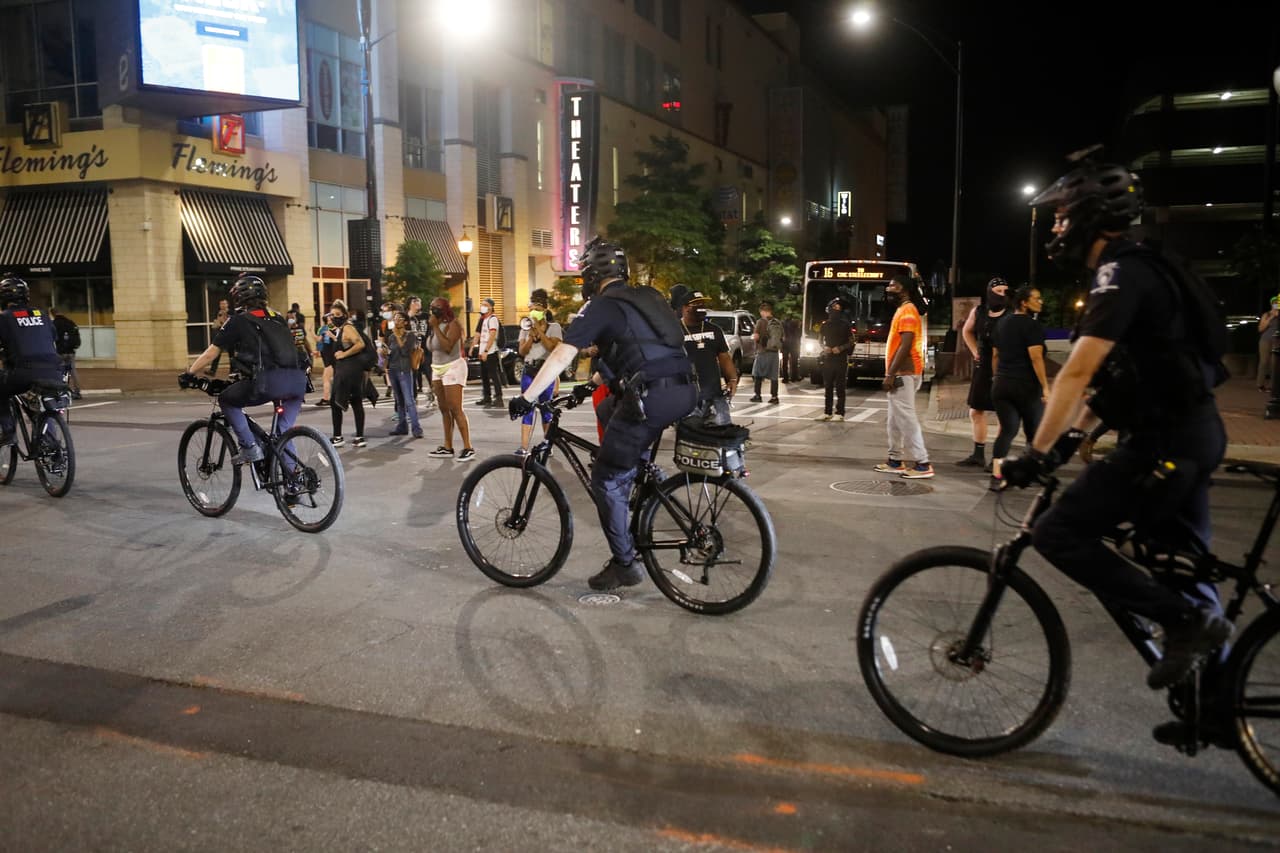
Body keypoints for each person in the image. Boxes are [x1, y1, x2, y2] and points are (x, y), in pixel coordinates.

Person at [1004, 158, 1232, 702]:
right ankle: (1219, 703)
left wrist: (1034, 453)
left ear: (1090, 217)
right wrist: (1062, 446)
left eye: (1061, 216)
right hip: (1193, 435)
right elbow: (1110, 386)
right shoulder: (1145, 266)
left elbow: (1078, 372)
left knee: (1057, 533)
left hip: (1164, 446)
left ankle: (1181, 623)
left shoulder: (1119, 272)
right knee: (1182, 568)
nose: (1057, 228)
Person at [511, 236, 695, 591]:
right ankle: (638, 470)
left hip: (652, 396)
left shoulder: (602, 305)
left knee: (605, 479)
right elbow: (631, 350)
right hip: (684, 388)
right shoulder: (647, 296)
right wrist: (589, 385)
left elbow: (564, 353)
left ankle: (624, 564)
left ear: (593, 274)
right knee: (612, 408)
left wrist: (529, 397)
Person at [184, 274, 306, 464]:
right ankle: (294, 484)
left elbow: (211, 353)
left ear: (239, 298)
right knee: (283, 433)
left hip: (268, 382)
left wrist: (189, 373)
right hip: (298, 381)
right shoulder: (279, 318)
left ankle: (249, 447)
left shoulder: (238, 320)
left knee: (227, 400)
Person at [873, 274, 933, 479]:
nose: (889, 289)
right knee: (894, 420)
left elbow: (906, 344)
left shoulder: (907, 310)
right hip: (902, 372)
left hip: (904, 372)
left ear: (905, 289)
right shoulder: (902, 309)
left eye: (893, 285)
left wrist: (890, 373)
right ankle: (895, 460)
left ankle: (922, 462)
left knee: (906, 418)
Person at [989, 286, 1049, 489]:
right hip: (1026, 386)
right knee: (1034, 433)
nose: (1040, 302)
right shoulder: (1032, 326)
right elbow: (1036, 357)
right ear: (1024, 302)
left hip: (1002, 384)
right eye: (1037, 299)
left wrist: (996, 377)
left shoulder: (1002, 323)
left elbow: (995, 355)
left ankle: (997, 477)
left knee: (1007, 431)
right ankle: (1032, 472)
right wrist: (1046, 387)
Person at [0, 276, 64, 446]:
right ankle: (52, 448)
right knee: (42, 406)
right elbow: (53, 337)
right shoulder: (41, 314)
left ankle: (8, 432)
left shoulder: (4, 318)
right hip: (54, 370)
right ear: (26, 296)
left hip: (23, 372)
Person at [954, 277, 1009, 469]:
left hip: (1005, 367)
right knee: (976, 410)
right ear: (990, 292)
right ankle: (978, 454)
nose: (1002, 295)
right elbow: (967, 331)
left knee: (1004, 413)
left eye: (1005, 291)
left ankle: (999, 458)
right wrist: (975, 351)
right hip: (984, 365)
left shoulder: (1011, 314)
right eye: (999, 291)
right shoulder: (979, 312)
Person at [677, 290, 739, 423]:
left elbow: (724, 357)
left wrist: (732, 379)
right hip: (687, 397)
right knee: (691, 436)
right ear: (685, 307)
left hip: (714, 393)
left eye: (702, 303)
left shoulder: (714, 330)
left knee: (723, 432)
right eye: (696, 304)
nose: (701, 306)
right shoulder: (675, 331)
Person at [426, 297, 475, 461]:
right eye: (432, 307)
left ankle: (468, 447)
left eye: (438, 307)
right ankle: (448, 446)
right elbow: (431, 348)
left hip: (453, 366)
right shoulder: (435, 325)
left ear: (446, 308)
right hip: (437, 368)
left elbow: (447, 347)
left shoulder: (453, 324)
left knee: (455, 408)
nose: (434, 310)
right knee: (444, 409)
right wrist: (433, 327)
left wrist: (435, 327)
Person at [515, 290, 562, 456]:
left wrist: (540, 330)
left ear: (544, 309)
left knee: (545, 409)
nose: (533, 309)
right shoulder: (526, 327)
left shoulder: (554, 327)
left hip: (545, 372)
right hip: (529, 370)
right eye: (532, 305)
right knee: (526, 407)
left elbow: (551, 347)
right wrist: (529, 335)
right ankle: (524, 447)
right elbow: (522, 351)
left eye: (537, 306)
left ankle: (547, 444)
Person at [327, 300, 369, 447]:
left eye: (337, 314)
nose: (334, 317)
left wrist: (344, 355)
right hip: (353, 370)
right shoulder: (343, 329)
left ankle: (338, 437)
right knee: (356, 402)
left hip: (348, 371)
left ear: (344, 314)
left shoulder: (347, 328)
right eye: (332, 315)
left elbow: (360, 344)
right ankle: (359, 437)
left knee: (335, 402)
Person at [384, 309, 423, 438]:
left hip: (404, 370)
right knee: (399, 400)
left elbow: (405, 352)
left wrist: (397, 337)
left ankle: (417, 428)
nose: (396, 321)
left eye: (399, 318)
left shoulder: (410, 335)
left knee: (409, 400)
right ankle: (402, 426)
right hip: (393, 370)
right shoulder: (391, 337)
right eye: (395, 318)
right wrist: (384, 353)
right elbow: (392, 353)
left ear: (405, 322)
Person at [814, 298, 851, 422]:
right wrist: (824, 347)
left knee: (840, 387)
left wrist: (840, 348)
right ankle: (827, 412)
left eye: (838, 308)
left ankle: (840, 412)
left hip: (841, 359)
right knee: (828, 386)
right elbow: (819, 339)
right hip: (828, 359)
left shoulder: (846, 325)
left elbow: (852, 341)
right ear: (829, 309)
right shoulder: (825, 325)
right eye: (834, 307)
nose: (836, 309)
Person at [749, 301, 783, 404]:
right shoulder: (777, 322)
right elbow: (782, 336)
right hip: (774, 352)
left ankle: (758, 395)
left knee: (757, 373)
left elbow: (756, 336)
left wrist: (755, 339)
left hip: (763, 351)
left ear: (763, 311)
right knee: (774, 376)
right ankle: (774, 397)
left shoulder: (760, 322)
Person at [474, 297, 505, 408]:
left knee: (493, 375)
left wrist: (486, 351)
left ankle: (499, 398)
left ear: (491, 307)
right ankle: (487, 397)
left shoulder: (493, 319)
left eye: (485, 305)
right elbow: (479, 334)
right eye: (482, 304)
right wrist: (475, 347)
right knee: (484, 376)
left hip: (491, 352)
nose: (483, 306)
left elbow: (492, 336)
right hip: (484, 352)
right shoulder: (483, 319)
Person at [50, 308, 82, 399]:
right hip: (71, 351)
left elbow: (51, 338)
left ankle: (62, 391)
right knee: (73, 371)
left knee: (59, 371)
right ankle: (77, 391)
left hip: (60, 351)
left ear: (52, 314)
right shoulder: (70, 322)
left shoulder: (54, 324)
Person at [315, 310, 338, 407]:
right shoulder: (325, 329)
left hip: (333, 356)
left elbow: (339, 341)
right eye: (328, 320)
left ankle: (326, 398)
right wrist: (311, 332)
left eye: (331, 320)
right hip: (326, 355)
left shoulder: (337, 330)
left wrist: (332, 336)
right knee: (333, 378)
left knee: (326, 377)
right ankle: (331, 398)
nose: (330, 322)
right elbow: (319, 340)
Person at [1259, 296, 1279, 391]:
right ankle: (1260, 385)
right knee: (1264, 362)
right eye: (1274, 303)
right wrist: (1271, 317)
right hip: (1265, 340)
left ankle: (1273, 386)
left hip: (1277, 342)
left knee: (1274, 364)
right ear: (1271, 304)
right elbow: (1260, 329)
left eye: (1278, 303)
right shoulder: (1266, 314)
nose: (1276, 304)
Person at [782, 313, 802, 383]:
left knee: (785, 361)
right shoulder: (795, 323)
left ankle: (785, 378)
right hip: (794, 344)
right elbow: (798, 333)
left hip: (785, 344)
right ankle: (794, 376)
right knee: (794, 361)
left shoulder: (783, 323)